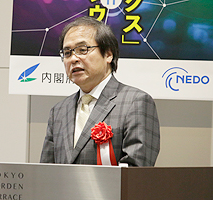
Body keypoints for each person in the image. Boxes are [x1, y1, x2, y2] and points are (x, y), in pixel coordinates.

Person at [40, 16, 160, 166]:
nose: (73, 59)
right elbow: (46, 171)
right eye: (67, 53)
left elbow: (136, 172)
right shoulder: (58, 111)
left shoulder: (136, 102)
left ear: (108, 54)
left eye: (82, 50)